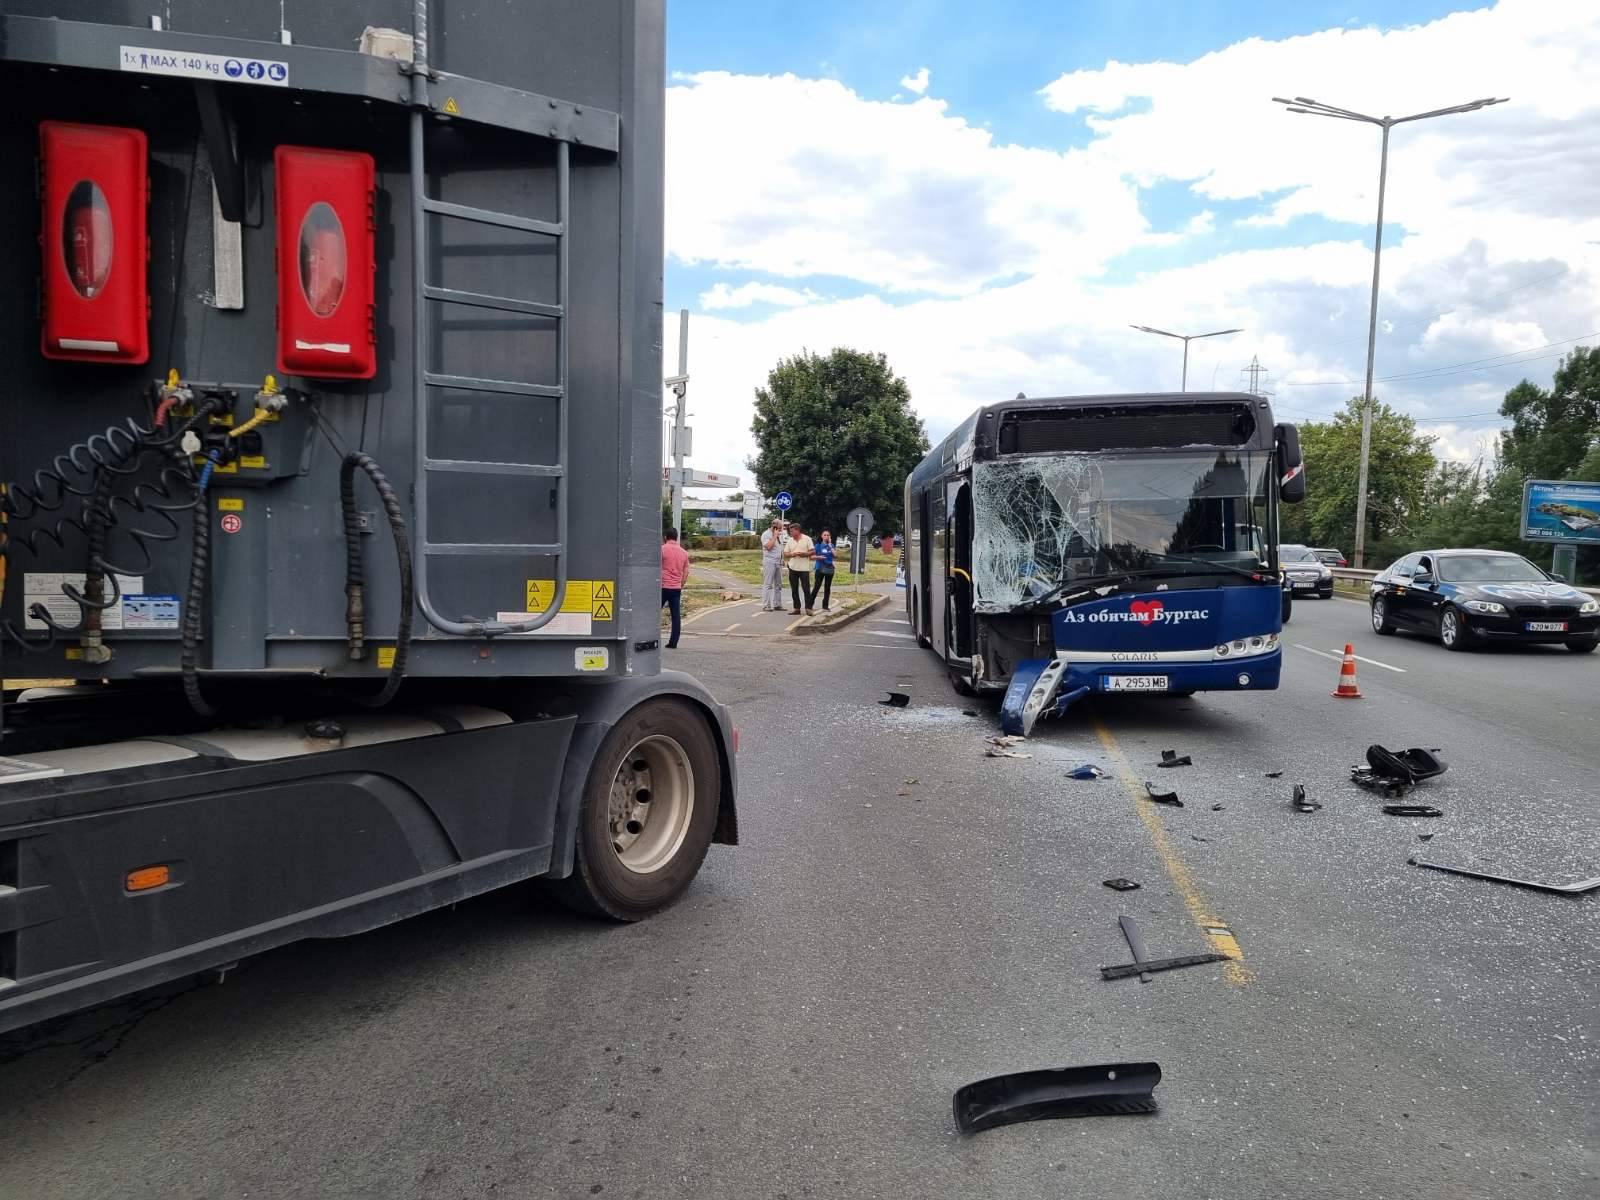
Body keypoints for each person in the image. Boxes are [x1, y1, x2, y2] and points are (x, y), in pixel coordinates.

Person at [660, 527, 690, 648]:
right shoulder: (684, 553)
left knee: (654, 614)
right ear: (676, 538)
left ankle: (651, 638)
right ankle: (673, 642)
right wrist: (680, 584)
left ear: (666, 537)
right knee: (676, 616)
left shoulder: (661, 550)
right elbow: (686, 572)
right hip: (676, 588)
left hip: (662, 587)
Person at [782, 522, 814, 614]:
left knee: (806, 589)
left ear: (797, 530)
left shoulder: (807, 539)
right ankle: (797, 608)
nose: (790, 533)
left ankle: (808, 608)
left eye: (792, 531)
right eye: (790, 531)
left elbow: (812, 551)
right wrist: (792, 554)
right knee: (794, 589)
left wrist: (804, 554)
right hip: (792, 567)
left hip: (804, 568)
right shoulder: (790, 540)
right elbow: (785, 553)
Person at [760, 516, 785, 611]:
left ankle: (777, 604)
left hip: (778, 562)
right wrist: (774, 536)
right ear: (774, 527)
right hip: (769, 562)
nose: (781, 530)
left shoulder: (779, 535)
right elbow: (769, 547)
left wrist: (782, 559)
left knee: (778, 585)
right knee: (768, 584)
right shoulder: (766, 534)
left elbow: (779, 549)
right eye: (780, 528)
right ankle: (766, 605)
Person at [809, 529, 836, 612]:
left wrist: (830, 546)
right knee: (817, 586)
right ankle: (809, 605)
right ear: (821, 536)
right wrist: (818, 557)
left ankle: (825, 606)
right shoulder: (817, 546)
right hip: (820, 568)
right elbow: (811, 557)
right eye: (825, 535)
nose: (826, 537)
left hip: (829, 569)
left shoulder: (831, 545)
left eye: (828, 535)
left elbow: (835, 555)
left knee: (827, 588)